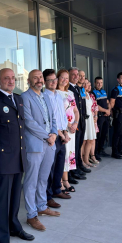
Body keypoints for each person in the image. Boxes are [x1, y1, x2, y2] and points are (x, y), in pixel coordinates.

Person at [0, 68, 34, 243]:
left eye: (13, 78)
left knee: (15, 197)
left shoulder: (19, 99)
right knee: (1, 202)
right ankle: (2, 240)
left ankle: (14, 226)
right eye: (6, 78)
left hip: (18, 156)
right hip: (3, 158)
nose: (10, 81)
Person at [21, 69, 60, 232]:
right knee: (31, 181)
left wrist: (55, 133)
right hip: (35, 145)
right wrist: (47, 136)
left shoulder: (45, 96)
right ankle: (31, 215)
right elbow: (29, 123)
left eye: (40, 77)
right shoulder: (25, 97)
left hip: (49, 144)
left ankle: (42, 206)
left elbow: (53, 118)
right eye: (35, 78)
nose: (39, 80)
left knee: (43, 178)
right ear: (29, 81)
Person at [43, 69, 71, 210]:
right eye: (50, 80)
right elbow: (50, 120)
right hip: (52, 137)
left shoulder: (58, 96)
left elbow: (62, 117)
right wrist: (60, 134)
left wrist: (65, 133)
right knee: (50, 168)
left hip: (62, 136)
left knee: (60, 165)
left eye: (55, 79)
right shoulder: (44, 97)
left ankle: (56, 190)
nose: (54, 82)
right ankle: (48, 197)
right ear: (45, 82)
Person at [56, 69, 79, 193]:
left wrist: (75, 123)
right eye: (62, 77)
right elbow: (58, 114)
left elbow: (75, 110)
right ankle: (59, 182)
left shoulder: (70, 93)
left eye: (66, 78)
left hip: (71, 129)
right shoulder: (55, 93)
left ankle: (66, 180)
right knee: (62, 156)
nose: (64, 80)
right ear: (57, 78)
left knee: (69, 154)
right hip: (62, 128)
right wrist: (69, 124)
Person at [67, 68, 90, 180]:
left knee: (79, 144)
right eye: (74, 74)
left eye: (78, 74)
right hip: (73, 124)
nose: (76, 76)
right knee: (74, 147)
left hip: (80, 121)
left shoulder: (78, 88)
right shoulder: (69, 88)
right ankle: (72, 171)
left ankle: (79, 165)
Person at [110, 72, 122, 159]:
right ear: (118, 79)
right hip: (119, 114)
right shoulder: (115, 89)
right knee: (117, 132)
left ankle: (120, 149)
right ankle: (114, 152)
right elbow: (112, 102)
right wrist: (111, 113)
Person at [92, 77, 111, 157]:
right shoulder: (93, 92)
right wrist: (105, 111)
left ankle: (101, 150)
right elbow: (96, 105)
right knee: (98, 135)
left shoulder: (103, 91)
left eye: (101, 82)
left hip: (106, 116)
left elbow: (108, 102)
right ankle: (95, 153)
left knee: (104, 134)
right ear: (94, 83)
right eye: (98, 83)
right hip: (99, 116)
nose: (99, 84)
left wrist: (109, 110)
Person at [82, 79, 98, 168]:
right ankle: (82, 161)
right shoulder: (81, 94)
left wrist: (95, 116)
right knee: (83, 141)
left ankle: (86, 159)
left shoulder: (89, 94)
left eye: (87, 83)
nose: (85, 85)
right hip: (84, 119)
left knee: (90, 140)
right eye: (84, 83)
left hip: (90, 119)